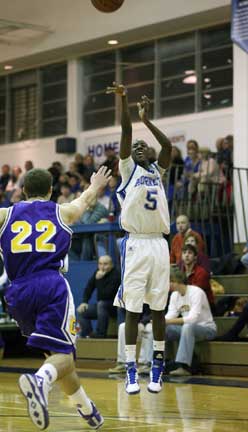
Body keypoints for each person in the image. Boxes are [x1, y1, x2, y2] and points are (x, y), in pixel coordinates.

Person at [0, 166, 111, 430]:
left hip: (17, 293)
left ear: (23, 190)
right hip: (50, 286)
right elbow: (85, 200)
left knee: (58, 355)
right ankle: (40, 382)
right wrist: (96, 185)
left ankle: (88, 411)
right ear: (51, 191)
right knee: (65, 355)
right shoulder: (61, 211)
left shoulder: (5, 215)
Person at [106, 82, 171, 395]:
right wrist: (125, 100)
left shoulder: (157, 171)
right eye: (134, 148)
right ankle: (131, 369)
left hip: (159, 243)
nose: (138, 148)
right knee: (133, 310)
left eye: (143, 146)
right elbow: (126, 131)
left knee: (158, 308)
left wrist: (148, 121)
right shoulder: (128, 169)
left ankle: (158, 366)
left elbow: (169, 148)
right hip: (136, 243)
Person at [166, 266, 216, 376]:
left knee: (188, 327)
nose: (167, 285)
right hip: (186, 329)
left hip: (206, 328)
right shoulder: (174, 295)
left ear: (177, 280)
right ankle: (154, 363)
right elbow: (170, 315)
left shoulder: (196, 292)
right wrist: (160, 321)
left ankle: (183, 366)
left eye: (169, 281)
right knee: (160, 329)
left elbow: (193, 319)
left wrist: (168, 321)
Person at [77, 255, 121, 338]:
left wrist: (99, 279)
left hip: (115, 307)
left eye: (105, 264)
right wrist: (84, 302)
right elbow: (88, 288)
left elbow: (106, 294)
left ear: (111, 265)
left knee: (101, 304)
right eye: (100, 264)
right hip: (102, 307)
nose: (102, 267)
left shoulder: (116, 274)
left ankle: (100, 335)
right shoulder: (98, 272)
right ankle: (88, 334)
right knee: (82, 311)